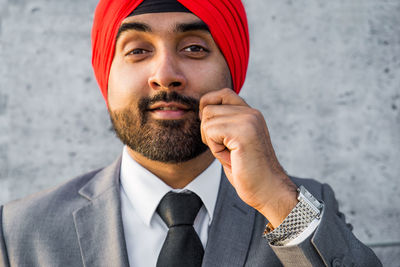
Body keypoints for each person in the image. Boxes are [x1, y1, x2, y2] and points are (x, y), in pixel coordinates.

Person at [0, 0, 381, 266]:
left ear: (233, 72)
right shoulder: (21, 232)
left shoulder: (298, 205)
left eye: (195, 48)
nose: (165, 74)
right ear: (106, 77)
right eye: (137, 51)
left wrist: (276, 198)